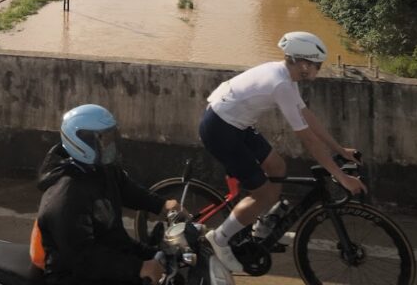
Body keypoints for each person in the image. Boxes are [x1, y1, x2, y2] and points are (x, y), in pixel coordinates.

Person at [199, 31, 367, 272]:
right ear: (304, 64)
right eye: (317, 65)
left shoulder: (286, 76)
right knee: (263, 193)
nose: (318, 70)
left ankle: (260, 219)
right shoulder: (281, 84)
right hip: (220, 129)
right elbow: (307, 138)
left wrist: (339, 149)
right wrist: (341, 177)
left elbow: (306, 115)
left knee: (277, 167)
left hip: (237, 123)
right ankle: (219, 238)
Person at [36, 103, 179, 285]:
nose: (110, 144)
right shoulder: (66, 196)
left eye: (111, 137)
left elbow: (126, 189)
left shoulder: (100, 169)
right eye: (103, 139)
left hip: (111, 254)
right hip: (74, 276)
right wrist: (138, 267)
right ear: (83, 141)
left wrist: (162, 205)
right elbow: (82, 257)